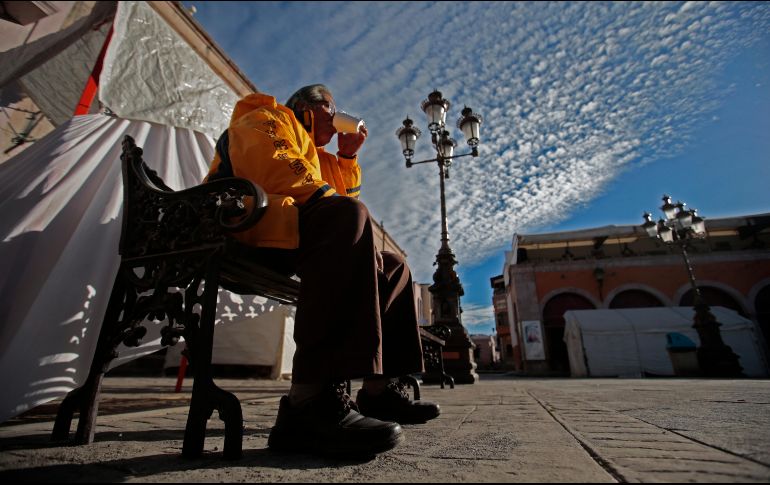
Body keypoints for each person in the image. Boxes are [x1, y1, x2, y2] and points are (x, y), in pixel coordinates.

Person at [205, 84, 439, 457]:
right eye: (330, 109)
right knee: (346, 217)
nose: (336, 117)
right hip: (242, 223)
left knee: (393, 266)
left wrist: (346, 159)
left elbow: (346, 202)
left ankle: (379, 391)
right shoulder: (267, 116)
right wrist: (342, 214)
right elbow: (275, 166)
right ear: (306, 108)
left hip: (289, 231)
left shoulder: (319, 157)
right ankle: (309, 399)